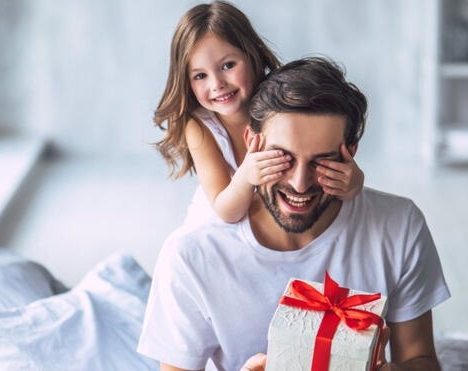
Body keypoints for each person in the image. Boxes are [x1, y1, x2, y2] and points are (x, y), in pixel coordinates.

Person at [139, 57, 451, 371]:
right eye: (282, 157)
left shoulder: (399, 226)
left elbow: (420, 359)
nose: (300, 184)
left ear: (350, 153)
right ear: (252, 143)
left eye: (322, 162)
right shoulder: (192, 254)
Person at [155, 1, 363, 229]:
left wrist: (354, 182)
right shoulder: (200, 126)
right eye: (200, 76)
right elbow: (226, 212)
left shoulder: (280, 103)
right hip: (224, 225)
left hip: (277, 221)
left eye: (228, 65)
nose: (217, 84)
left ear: (252, 55)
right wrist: (246, 175)